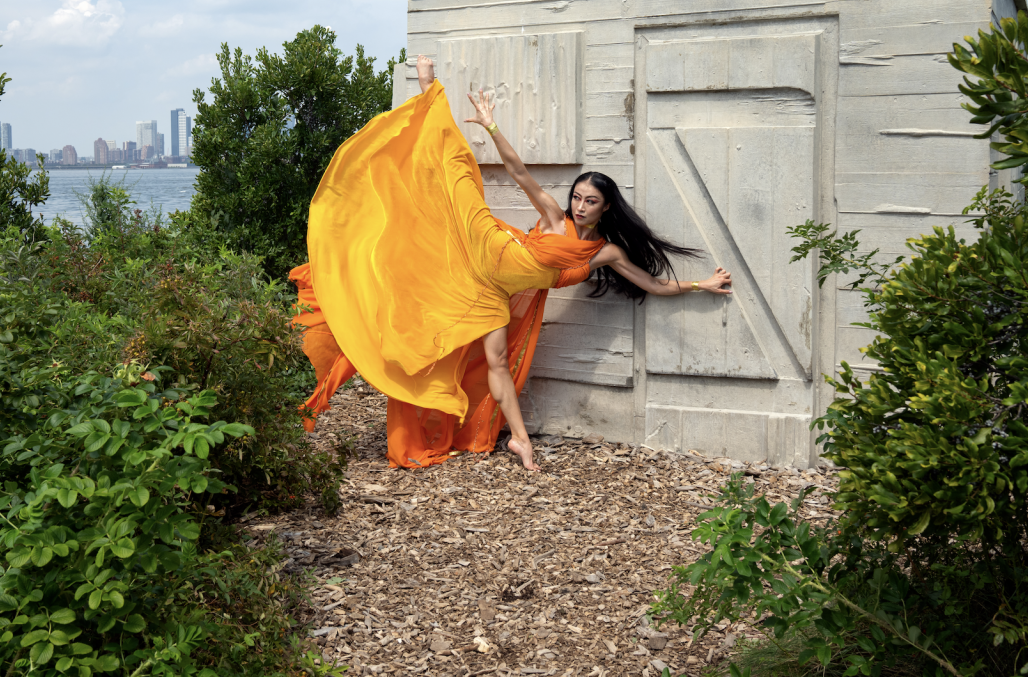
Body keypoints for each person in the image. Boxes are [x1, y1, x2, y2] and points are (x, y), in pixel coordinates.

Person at [290, 55, 732, 472]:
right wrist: (491, 125)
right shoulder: (554, 217)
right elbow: (519, 172)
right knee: (455, 179)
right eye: (577, 197)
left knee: (496, 363)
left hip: (490, 290)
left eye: (590, 202)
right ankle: (428, 88)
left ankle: (520, 439)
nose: (579, 206)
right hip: (488, 246)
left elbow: (652, 285)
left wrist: (702, 285)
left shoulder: (606, 253)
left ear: (605, 209)